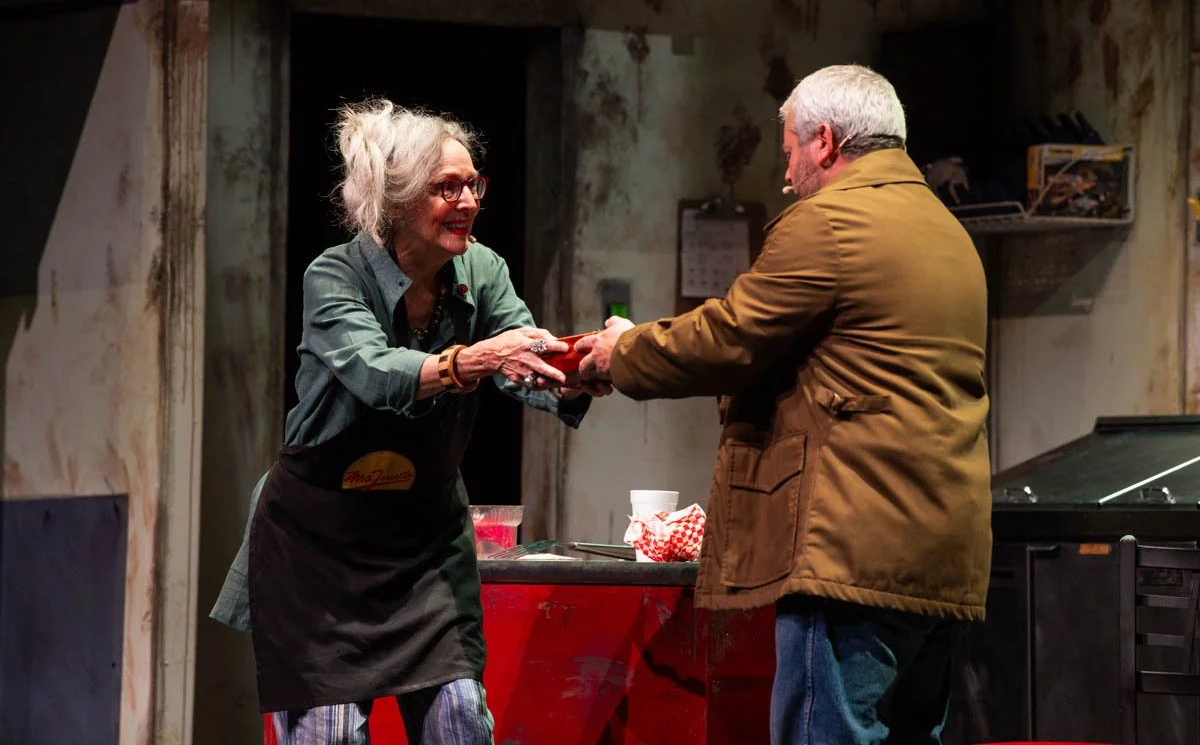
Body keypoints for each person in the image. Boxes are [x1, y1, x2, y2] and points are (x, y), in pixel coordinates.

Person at [576, 64, 991, 745]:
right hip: (943, 554)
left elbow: (732, 337)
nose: (787, 176)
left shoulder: (829, 222)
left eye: (790, 151)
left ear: (825, 140)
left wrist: (623, 351)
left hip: (851, 552)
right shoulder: (950, 234)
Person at [210, 99, 608, 745]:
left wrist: (583, 365)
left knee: (459, 719)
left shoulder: (482, 269)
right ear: (396, 202)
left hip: (424, 544)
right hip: (322, 548)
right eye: (446, 187)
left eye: (473, 184)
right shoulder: (334, 275)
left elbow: (519, 354)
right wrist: (474, 359)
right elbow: (375, 371)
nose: (467, 201)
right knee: (332, 734)